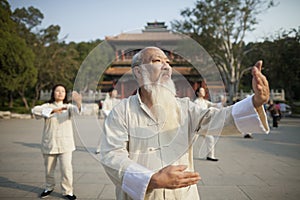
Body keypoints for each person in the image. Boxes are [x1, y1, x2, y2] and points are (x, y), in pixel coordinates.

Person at [100, 47, 270, 200]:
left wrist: (255, 101)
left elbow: (218, 119)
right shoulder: (122, 111)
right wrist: (150, 180)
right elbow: (112, 155)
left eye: (168, 62)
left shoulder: (186, 108)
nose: (166, 66)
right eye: (157, 61)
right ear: (138, 72)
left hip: (183, 195)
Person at [32, 84, 82, 200]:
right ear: (53, 93)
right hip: (50, 143)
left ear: (65, 94)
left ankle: (68, 191)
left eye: (63, 91)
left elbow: (77, 111)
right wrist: (54, 110)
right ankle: (49, 187)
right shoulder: (47, 106)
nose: (60, 93)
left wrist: (78, 102)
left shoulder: (68, 107)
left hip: (66, 144)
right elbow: (34, 110)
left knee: (66, 169)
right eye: (57, 91)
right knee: (49, 169)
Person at [194, 87, 226, 161]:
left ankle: (210, 156)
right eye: (201, 91)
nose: (203, 92)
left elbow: (214, 105)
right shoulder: (196, 102)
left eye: (204, 91)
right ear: (198, 93)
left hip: (204, 125)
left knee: (210, 139)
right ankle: (182, 156)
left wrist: (221, 103)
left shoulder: (205, 102)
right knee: (192, 141)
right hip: (197, 125)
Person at [95, 88, 120, 154]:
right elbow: (103, 110)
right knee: (104, 134)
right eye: (114, 92)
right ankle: (99, 148)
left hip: (115, 120)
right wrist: (110, 114)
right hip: (108, 120)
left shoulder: (117, 101)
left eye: (116, 92)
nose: (115, 93)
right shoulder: (106, 101)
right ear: (110, 93)